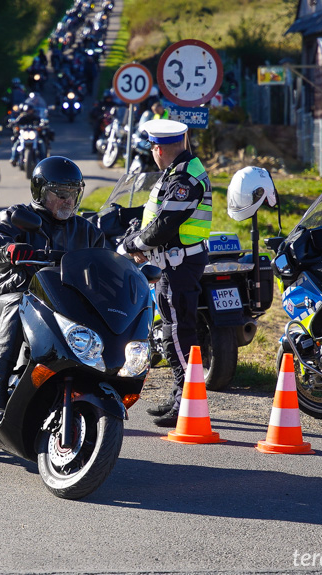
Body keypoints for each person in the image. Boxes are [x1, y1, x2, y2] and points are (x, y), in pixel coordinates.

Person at [0, 156, 105, 417]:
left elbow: (106, 261)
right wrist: (8, 247)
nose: (68, 200)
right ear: (41, 192)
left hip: (58, 304)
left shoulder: (87, 230)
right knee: (20, 304)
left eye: (73, 193)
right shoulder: (16, 216)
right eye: (60, 193)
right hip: (9, 296)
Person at [120, 119, 212, 427]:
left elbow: (165, 225)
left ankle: (187, 400)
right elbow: (157, 215)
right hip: (171, 263)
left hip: (179, 264)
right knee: (172, 331)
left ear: (159, 148)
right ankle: (179, 395)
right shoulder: (178, 172)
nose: (152, 155)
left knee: (178, 333)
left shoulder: (185, 178)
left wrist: (133, 242)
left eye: (152, 149)